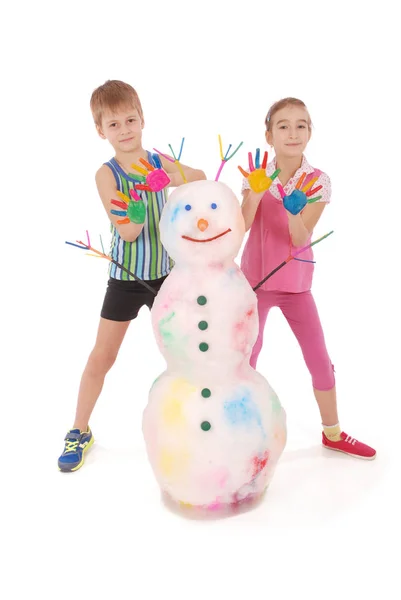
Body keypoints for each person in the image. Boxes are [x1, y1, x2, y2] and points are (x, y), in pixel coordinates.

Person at [58, 80, 206, 472]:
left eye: (130, 120)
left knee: (185, 355)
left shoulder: (157, 160)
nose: (124, 130)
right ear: (100, 130)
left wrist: (170, 175)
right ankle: (79, 430)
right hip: (125, 279)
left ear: (142, 119)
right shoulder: (105, 175)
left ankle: (197, 430)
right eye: (113, 124)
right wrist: (143, 191)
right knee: (102, 357)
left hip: (168, 279)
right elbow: (128, 231)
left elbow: (200, 175)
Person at [240, 97, 376, 459]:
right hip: (253, 283)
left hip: (296, 287)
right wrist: (253, 194)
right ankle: (238, 436)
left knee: (318, 357)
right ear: (268, 135)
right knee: (246, 356)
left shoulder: (319, 180)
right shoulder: (257, 174)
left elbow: (300, 238)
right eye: (283, 125)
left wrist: (293, 211)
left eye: (302, 125)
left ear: (310, 132)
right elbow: (241, 227)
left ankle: (332, 433)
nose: (293, 132)